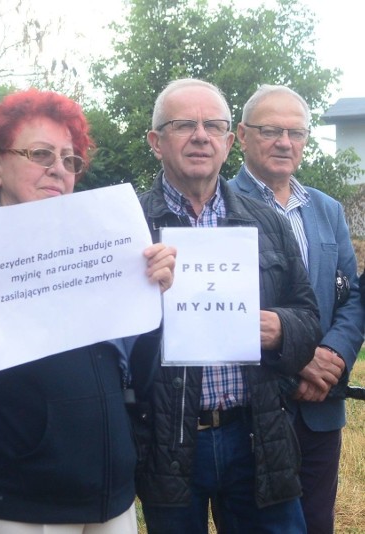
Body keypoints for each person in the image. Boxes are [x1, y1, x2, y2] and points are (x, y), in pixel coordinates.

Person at [0, 88, 177, 533]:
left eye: (69, 159)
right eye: (40, 153)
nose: (59, 169)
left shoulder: (102, 247)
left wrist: (153, 306)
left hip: (111, 502)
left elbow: (138, 380)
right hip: (19, 508)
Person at [131, 78, 322, 533]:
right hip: (169, 441)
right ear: (156, 142)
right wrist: (142, 297)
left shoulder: (266, 221)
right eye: (183, 125)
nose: (200, 135)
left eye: (212, 125)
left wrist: (282, 329)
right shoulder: (131, 227)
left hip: (256, 437)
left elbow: (309, 314)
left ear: (229, 141)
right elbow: (105, 341)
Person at [229, 84, 364, 534]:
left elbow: (353, 296)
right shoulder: (217, 210)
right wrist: (302, 360)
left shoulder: (326, 210)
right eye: (270, 130)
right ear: (243, 136)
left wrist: (336, 356)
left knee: (317, 524)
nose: (284, 142)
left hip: (320, 406)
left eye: (296, 133)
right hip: (252, 408)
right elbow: (222, 312)